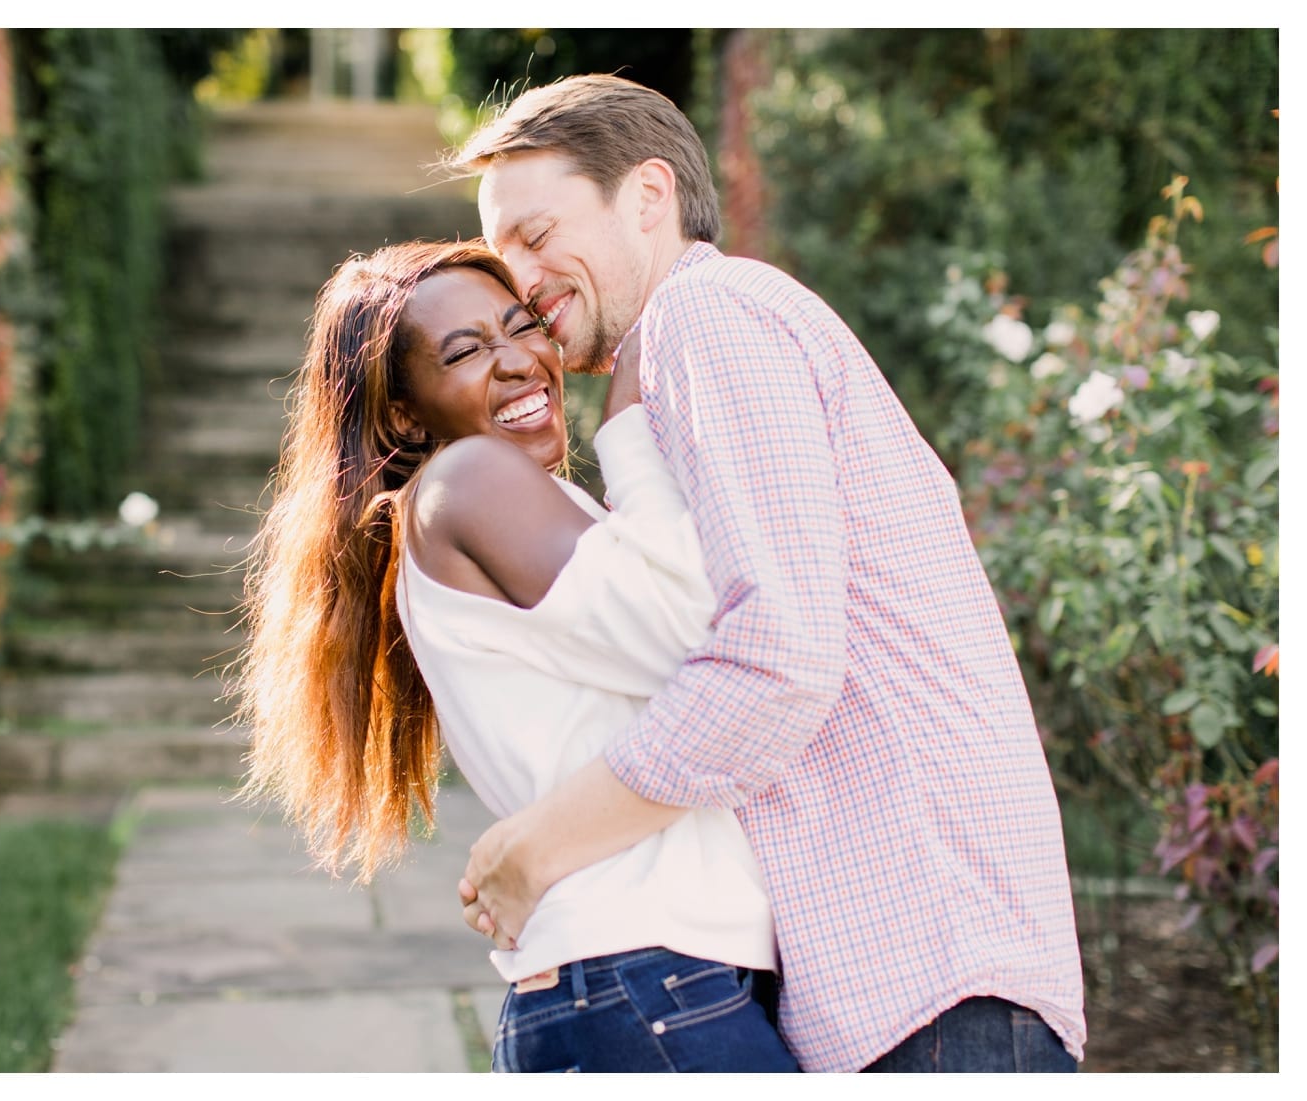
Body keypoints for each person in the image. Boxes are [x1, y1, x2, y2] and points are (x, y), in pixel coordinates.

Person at [440, 73, 1088, 1073]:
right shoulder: (681, 353)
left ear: (648, 195)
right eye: (502, 249)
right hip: (916, 979)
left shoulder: (713, 315)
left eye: (537, 234)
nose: (518, 279)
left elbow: (776, 656)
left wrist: (543, 844)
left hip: (931, 976)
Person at [232, 238, 799, 1073]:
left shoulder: (503, 499)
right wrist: (632, 425)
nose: (519, 360)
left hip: (640, 984)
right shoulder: (469, 483)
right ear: (402, 413)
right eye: (464, 351)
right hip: (644, 979)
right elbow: (705, 629)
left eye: (522, 324)